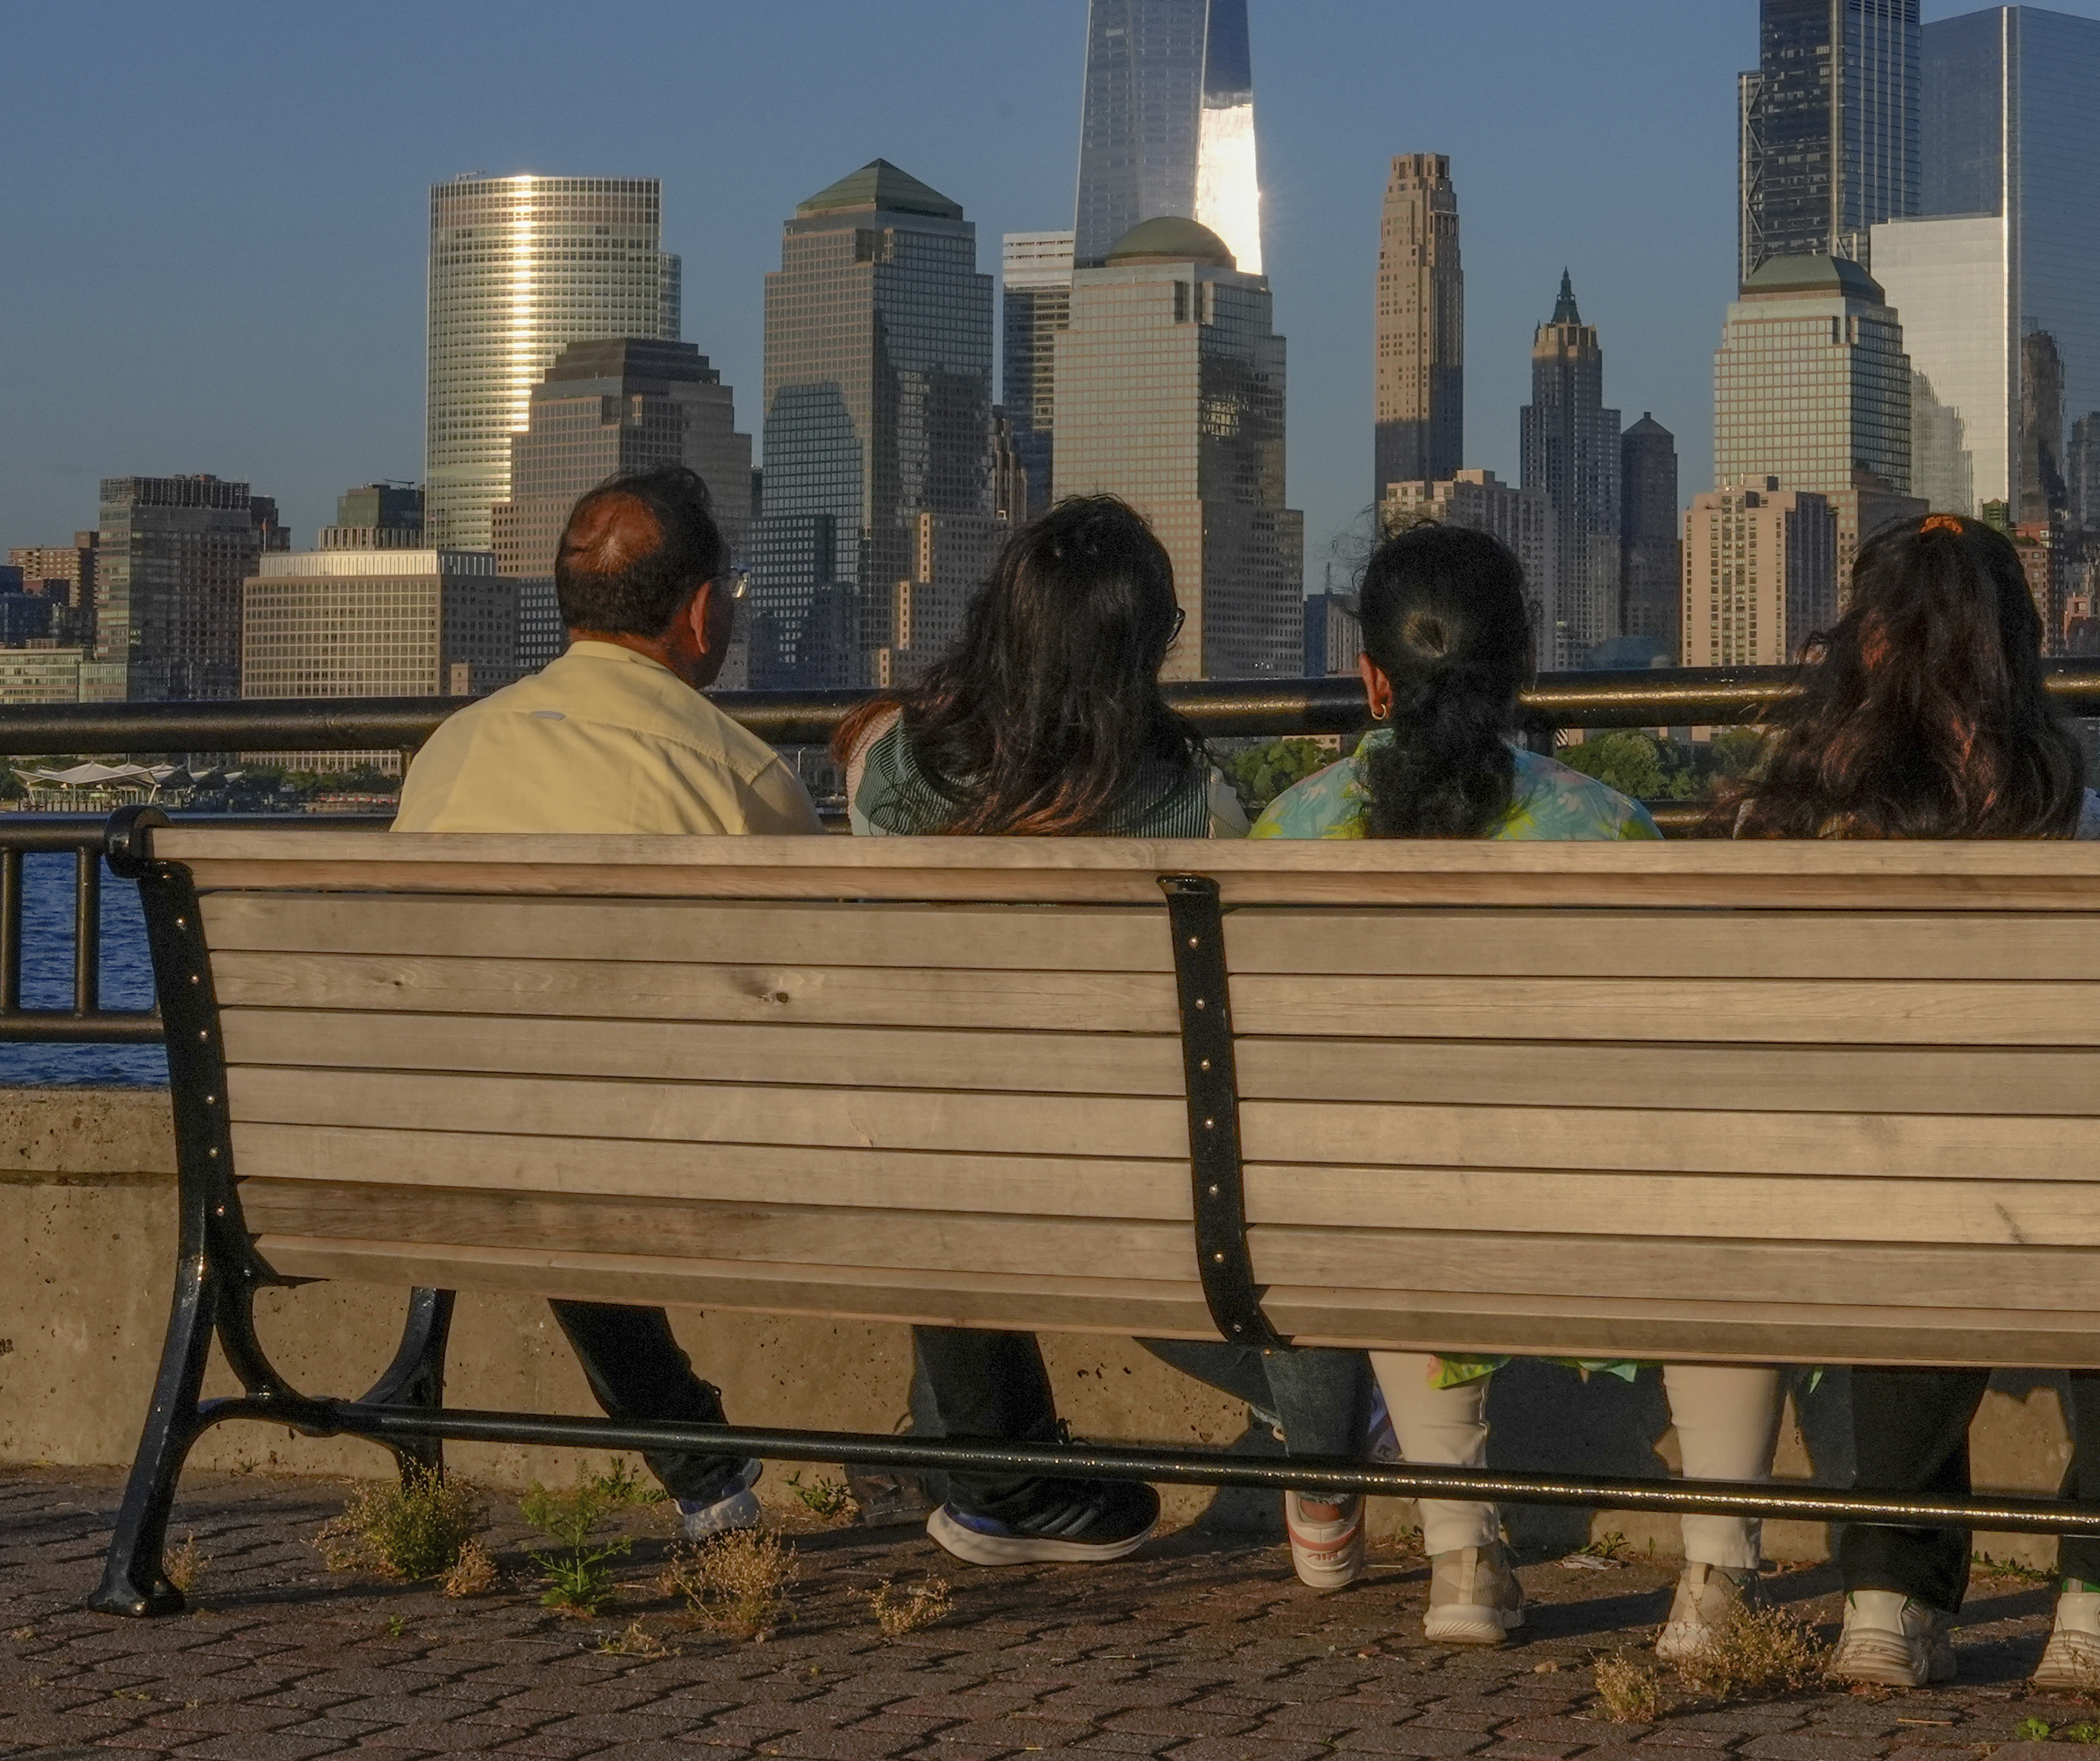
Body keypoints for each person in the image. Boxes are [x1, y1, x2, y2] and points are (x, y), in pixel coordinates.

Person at [1257, 520, 1786, 1660]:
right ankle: (1715, 1580)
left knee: (1384, 1187)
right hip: (1601, 1217)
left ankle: (1460, 1556)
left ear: (1370, 677)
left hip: (1394, 1225)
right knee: (1733, 1211)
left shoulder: (1293, 833)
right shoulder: (1605, 826)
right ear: (1524, 669)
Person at [831, 495, 1376, 1587]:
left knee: (956, 1161)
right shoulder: (1197, 805)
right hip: (1130, 1182)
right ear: (1143, 650)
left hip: (924, 1166)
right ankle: (1331, 1448)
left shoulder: (886, 768)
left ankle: (988, 1478)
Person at [1719, 512, 2100, 1696]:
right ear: (2016, 650)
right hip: (2038, 1211)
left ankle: (1888, 1600)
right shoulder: (2074, 823)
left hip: (1820, 1208)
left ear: (1860, 645)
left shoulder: (1776, 826)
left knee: (1900, 1206)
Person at [393, 464, 813, 1540]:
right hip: (650, 1158)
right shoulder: (743, 776)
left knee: (542, 1126)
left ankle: (701, 1469)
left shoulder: (453, 752)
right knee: (584, 1133)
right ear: (704, 612)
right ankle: (995, 1467)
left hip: (409, 1147)